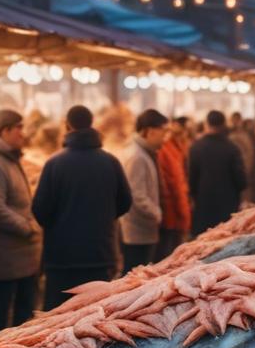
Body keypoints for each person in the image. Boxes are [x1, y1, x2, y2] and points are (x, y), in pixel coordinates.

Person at [32, 105, 132, 309]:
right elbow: (125, 202)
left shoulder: (54, 164)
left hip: (61, 258)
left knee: (56, 322)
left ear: (67, 126)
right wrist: (103, 217)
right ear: (92, 124)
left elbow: (40, 209)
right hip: (99, 255)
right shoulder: (110, 162)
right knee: (95, 319)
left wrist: (58, 224)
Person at [0, 108, 41, 339]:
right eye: (19, 128)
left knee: (22, 318)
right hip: (3, 256)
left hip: (20, 255)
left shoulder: (9, 159)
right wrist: (27, 226)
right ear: (5, 130)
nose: (23, 133)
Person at [120, 109, 167, 273]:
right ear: (151, 131)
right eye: (163, 132)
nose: (165, 137)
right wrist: (156, 213)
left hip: (143, 229)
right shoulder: (137, 156)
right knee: (134, 277)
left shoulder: (143, 153)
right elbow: (136, 195)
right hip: (137, 232)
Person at [188, 110, 248, 235]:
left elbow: (191, 180)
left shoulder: (196, 148)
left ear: (207, 124)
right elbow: (241, 181)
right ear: (224, 124)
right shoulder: (232, 148)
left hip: (203, 208)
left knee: (203, 249)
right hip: (227, 209)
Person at [156, 117, 192, 261]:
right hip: (171, 217)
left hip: (172, 215)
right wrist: (185, 218)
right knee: (168, 260)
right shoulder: (168, 151)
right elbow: (176, 186)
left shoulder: (177, 149)